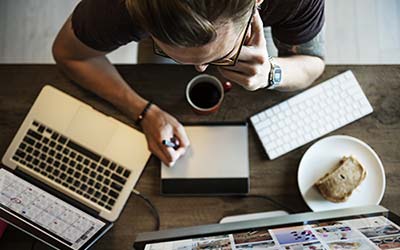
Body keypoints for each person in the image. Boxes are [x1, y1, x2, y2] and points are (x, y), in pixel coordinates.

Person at [52, 0, 325, 167]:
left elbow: (312, 64)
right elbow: (69, 54)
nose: (202, 70)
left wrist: (271, 73)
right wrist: (143, 111)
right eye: (168, 50)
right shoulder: (119, 8)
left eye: (220, 56)